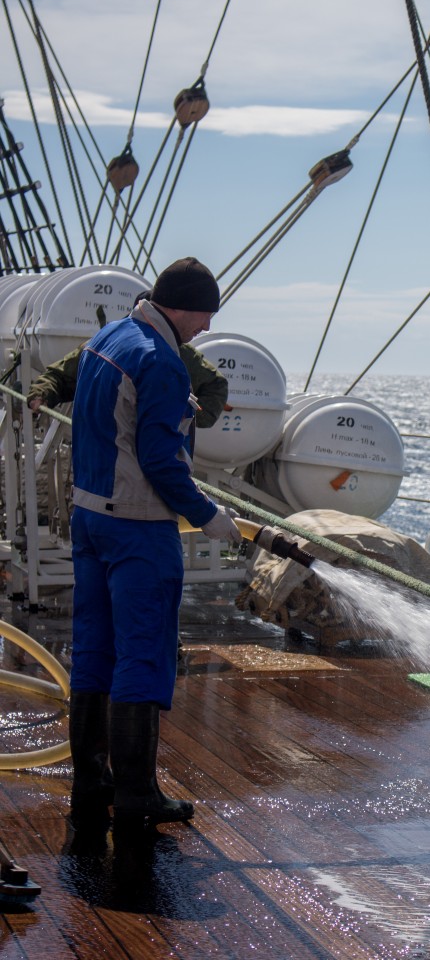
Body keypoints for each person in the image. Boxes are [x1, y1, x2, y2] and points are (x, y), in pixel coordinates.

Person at [68, 257, 241, 833]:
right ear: (184, 306)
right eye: (206, 315)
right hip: (138, 528)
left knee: (95, 649)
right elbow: (161, 462)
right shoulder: (161, 363)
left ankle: (92, 779)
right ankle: (139, 792)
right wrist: (208, 516)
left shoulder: (109, 338)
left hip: (90, 518)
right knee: (144, 651)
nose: (207, 328)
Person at [27, 297, 229, 433]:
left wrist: (183, 419)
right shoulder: (102, 346)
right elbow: (60, 376)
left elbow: (216, 386)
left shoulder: (181, 355)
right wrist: (42, 395)